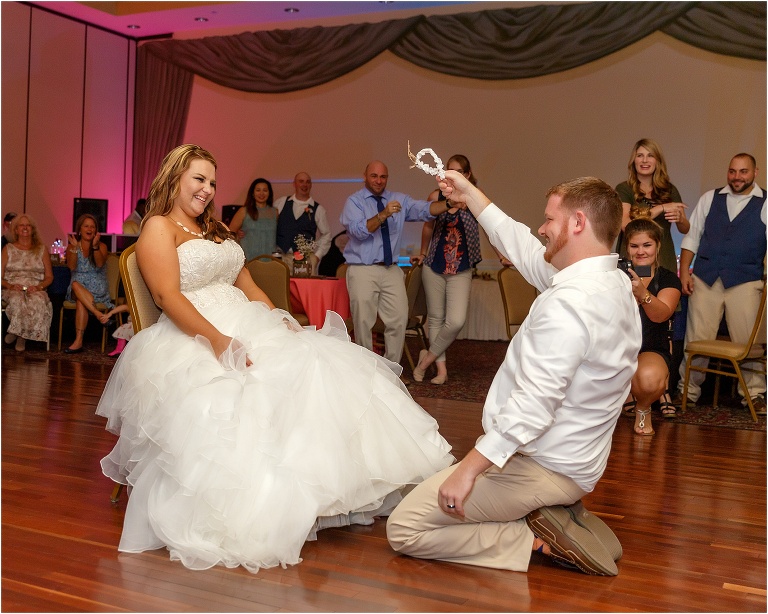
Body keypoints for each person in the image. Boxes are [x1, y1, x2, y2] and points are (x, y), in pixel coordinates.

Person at [95, 144, 454, 573]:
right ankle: (268, 501)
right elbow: (166, 295)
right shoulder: (158, 227)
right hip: (196, 330)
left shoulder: (215, 229)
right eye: (199, 179)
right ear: (174, 177)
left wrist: (278, 318)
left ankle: (330, 488)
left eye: (212, 181)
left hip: (244, 319)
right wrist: (217, 340)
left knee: (318, 363)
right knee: (250, 392)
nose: (208, 189)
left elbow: (246, 283)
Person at [386, 173, 642, 577]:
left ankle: (534, 537)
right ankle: (555, 512)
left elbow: (533, 408)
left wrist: (469, 471)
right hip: (577, 464)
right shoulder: (612, 283)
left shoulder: (570, 306)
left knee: (405, 528)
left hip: (541, 467)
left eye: (550, 220)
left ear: (577, 223)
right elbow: (522, 245)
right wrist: (469, 195)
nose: (541, 229)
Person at [674, 153, 766, 414]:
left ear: (755, 172)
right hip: (706, 278)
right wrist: (684, 273)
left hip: (745, 280)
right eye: (733, 171)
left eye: (743, 172)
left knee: (749, 340)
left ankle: (754, 394)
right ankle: (687, 391)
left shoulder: (766, 202)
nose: (737, 177)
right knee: (696, 338)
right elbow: (692, 237)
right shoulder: (710, 198)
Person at [340, 161, 454, 364]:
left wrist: (448, 204)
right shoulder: (354, 202)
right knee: (363, 322)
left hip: (390, 269)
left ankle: (390, 370)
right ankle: (365, 370)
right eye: (374, 176)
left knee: (399, 319)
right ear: (365, 176)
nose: (378, 181)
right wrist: (383, 214)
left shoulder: (398, 199)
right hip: (362, 269)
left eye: (383, 177)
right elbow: (358, 232)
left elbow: (425, 210)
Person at [409, 155, 482, 385]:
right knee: (436, 319)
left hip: (461, 267)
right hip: (434, 265)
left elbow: (489, 229)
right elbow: (428, 226)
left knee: (456, 320)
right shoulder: (436, 196)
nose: (453, 174)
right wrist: (422, 252)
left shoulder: (473, 198)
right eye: (449, 170)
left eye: (458, 171)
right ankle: (441, 370)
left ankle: (425, 361)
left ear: (467, 174)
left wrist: (502, 256)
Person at [622, 217, 682, 435]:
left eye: (647, 245)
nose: (640, 252)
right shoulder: (615, 276)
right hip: (614, 347)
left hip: (650, 348)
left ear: (657, 246)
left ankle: (643, 407)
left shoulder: (667, 279)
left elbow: (661, 315)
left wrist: (643, 294)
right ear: (626, 247)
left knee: (648, 381)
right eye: (634, 246)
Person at [616, 139, 690, 273]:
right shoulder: (624, 189)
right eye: (640, 156)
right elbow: (626, 226)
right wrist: (659, 209)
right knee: (641, 292)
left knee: (665, 293)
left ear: (658, 161)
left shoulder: (670, 190)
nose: (645, 160)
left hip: (664, 258)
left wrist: (681, 219)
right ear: (634, 161)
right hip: (636, 258)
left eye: (650, 156)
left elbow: (685, 229)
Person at [1, 214, 54, 351]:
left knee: (38, 302)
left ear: (32, 229)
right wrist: (10, 286)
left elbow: (49, 277)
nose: (25, 228)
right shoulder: (8, 249)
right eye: (21, 225)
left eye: (28, 225)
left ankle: (18, 335)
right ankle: (20, 335)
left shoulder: (42, 249)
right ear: (16, 230)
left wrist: (39, 287)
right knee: (18, 301)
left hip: (35, 287)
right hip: (13, 287)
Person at [63, 213, 113, 353]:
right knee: (76, 285)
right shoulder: (73, 246)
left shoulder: (101, 246)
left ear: (96, 230)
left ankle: (78, 341)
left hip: (97, 287)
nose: (89, 229)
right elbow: (72, 267)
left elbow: (99, 264)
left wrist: (95, 247)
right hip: (77, 287)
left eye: (92, 226)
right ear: (80, 229)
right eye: (86, 226)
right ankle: (98, 314)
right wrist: (73, 249)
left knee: (81, 301)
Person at [274, 172, 331, 274]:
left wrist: (317, 256)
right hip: (282, 259)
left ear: (311, 185)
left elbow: (327, 234)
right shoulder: (281, 202)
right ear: (294, 184)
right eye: (301, 181)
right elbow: (268, 225)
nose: (304, 185)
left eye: (308, 182)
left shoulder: (318, 209)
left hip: (305, 261)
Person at [228, 178, 278, 260]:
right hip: (248, 259)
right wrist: (237, 235)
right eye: (258, 190)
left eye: (265, 190)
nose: (261, 193)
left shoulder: (275, 212)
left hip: (270, 259)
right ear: (252, 193)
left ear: (269, 193)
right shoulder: (243, 211)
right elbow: (230, 233)